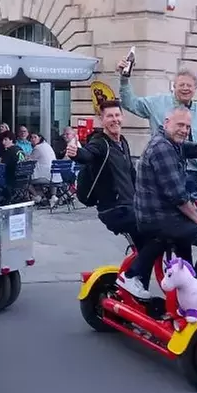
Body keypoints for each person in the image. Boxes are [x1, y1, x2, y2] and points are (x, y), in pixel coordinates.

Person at [66, 99, 155, 298]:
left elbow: (132, 175)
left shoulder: (122, 141)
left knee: (148, 245)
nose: (114, 119)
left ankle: (139, 292)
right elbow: (87, 154)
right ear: (102, 119)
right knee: (156, 236)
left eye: (117, 115)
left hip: (131, 206)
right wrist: (75, 153)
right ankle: (131, 279)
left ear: (122, 116)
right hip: (114, 209)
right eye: (109, 116)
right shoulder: (100, 143)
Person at [134, 106, 197, 281]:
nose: (184, 130)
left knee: (188, 240)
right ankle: (196, 284)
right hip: (159, 218)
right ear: (166, 123)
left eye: (187, 126)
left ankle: (186, 285)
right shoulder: (162, 148)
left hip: (164, 215)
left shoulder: (173, 144)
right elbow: (176, 195)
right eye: (180, 125)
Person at [118, 63, 197, 195]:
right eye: (181, 85)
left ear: (195, 88)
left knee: (191, 212)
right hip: (164, 169)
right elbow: (130, 103)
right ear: (174, 86)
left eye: (189, 85)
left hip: (193, 174)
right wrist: (124, 79)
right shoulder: (156, 103)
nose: (185, 89)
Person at [28, 132, 56, 197]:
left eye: (35, 137)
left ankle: (37, 197)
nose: (32, 139)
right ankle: (51, 196)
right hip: (54, 176)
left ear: (40, 138)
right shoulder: (47, 145)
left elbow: (29, 161)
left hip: (45, 177)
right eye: (31, 138)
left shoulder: (37, 148)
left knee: (25, 181)